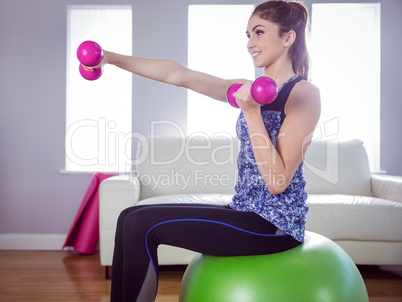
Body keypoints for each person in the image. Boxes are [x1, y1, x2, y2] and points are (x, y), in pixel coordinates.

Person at [85, 1, 320, 301]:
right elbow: (179, 75)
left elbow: (277, 182)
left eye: (259, 33)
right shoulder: (247, 88)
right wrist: (110, 58)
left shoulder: (303, 94)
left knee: (142, 225)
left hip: (275, 225)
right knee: (129, 216)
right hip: (244, 210)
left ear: (288, 38)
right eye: (247, 34)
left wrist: (252, 113)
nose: (250, 43)